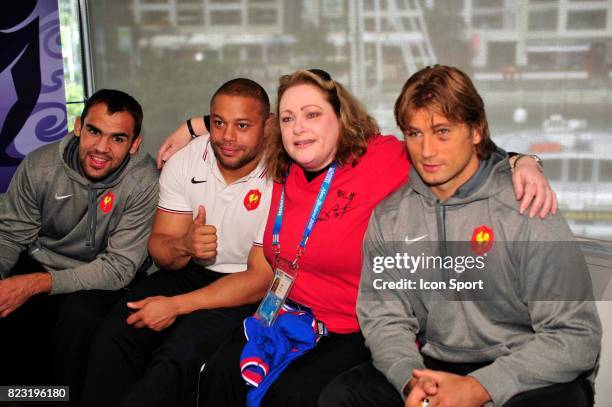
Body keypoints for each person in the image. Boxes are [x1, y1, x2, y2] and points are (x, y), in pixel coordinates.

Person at [194, 69, 557, 407]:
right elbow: (234, 129)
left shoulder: (380, 157)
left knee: (291, 395)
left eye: (312, 115)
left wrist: (523, 162)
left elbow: (457, 153)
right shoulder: (283, 169)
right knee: (220, 373)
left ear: (341, 117)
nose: (298, 128)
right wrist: (191, 127)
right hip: (288, 315)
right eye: (288, 118)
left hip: (353, 329)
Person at [320, 65, 602, 407]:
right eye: (414, 133)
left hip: (524, 365)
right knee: (342, 396)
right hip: (434, 363)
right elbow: (384, 319)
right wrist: (412, 382)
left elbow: (576, 336)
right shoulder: (390, 216)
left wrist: (479, 387)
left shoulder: (526, 206)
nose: (426, 151)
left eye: (442, 132)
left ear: (476, 130)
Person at [82, 78, 274, 407]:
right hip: (191, 271)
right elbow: (160, 246)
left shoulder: (284, 171)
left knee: (176, 360)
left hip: (246, 287)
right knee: (115, 333)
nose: (228, 137)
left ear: (267, 126)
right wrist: (184, 244)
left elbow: (260, 280)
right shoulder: (187, 158)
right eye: (218, 123)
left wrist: (176, 305)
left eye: (242, 125)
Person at [0, 89, 158, 401]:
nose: (101, 148)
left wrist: (36, 284)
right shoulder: (40, 167)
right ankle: (23, 396)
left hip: (104, 276)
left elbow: (118, 267)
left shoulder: (143, 181)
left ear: (134, 144)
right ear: (78, 126)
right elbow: (10, 235)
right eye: (94, 131)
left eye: (117, 138)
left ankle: (63, 397)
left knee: (79, 319)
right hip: (42, 260)